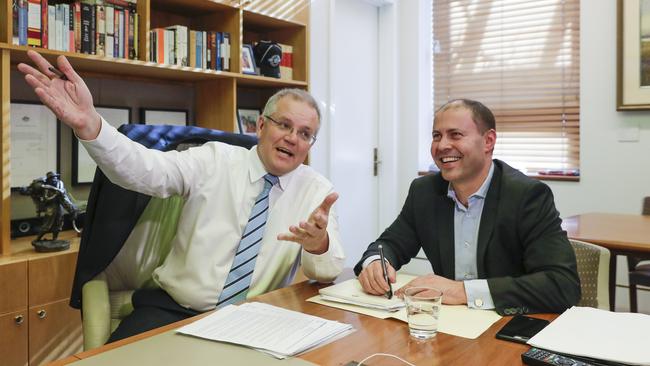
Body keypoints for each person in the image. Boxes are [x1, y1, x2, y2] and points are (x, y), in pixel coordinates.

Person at [18, 50, 345, 341]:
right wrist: (91, 124)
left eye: (305, 134)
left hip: (253, 322)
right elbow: (143, 168)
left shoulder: (317, 191)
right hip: (175, 310)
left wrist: (318, 244)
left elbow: (326, 271)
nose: (292, 138)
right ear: (260, 126)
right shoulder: (214, 159)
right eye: (284, 125)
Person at [355, 99, 580, 315]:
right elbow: (390, 243)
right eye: (436, 136)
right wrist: (376, 263)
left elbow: (562, 285)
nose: (442, 145)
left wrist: (463, 291)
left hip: (507, 325)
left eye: (456, 135)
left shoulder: (526, 196)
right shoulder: (424, 192)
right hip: (448, 325)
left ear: (489, 141)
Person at [20, 171, 79, 241]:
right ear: (49, 179)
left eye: (55, 177)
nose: (55, 179)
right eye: (53, 178)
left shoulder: (60, 184)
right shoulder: (45, 188)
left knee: (58, 225)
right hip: (51, 207)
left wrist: (72, 210)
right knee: (47, 225)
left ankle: (55, 239)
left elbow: (65, 198)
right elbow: (44, 199)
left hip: (59, 206)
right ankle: (37, 239)